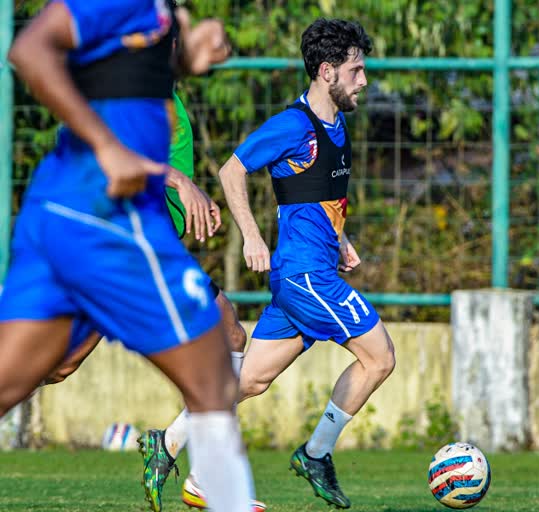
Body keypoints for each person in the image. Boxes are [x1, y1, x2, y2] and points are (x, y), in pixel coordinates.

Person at [0, 2, 255, 512]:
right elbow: (29, 50)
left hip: (68, 210)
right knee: (213, 369)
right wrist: (159, 171)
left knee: (35, 371)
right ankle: (218, 494)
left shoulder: (157, 15)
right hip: (111, 221)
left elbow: (113, 79)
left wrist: (185, 61)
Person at [141, 17, 396, 510]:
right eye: (356, 70)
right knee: (380, 357)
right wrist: (252, 237)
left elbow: (319, 197)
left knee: (249, 381)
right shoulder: (293, 125)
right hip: (305, 276)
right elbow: (231, 170)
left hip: (311, 270)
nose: (364, 80)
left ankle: (167, 446)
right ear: (327, 71)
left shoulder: (336, 124)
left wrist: (341, 241)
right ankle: (316, 453)